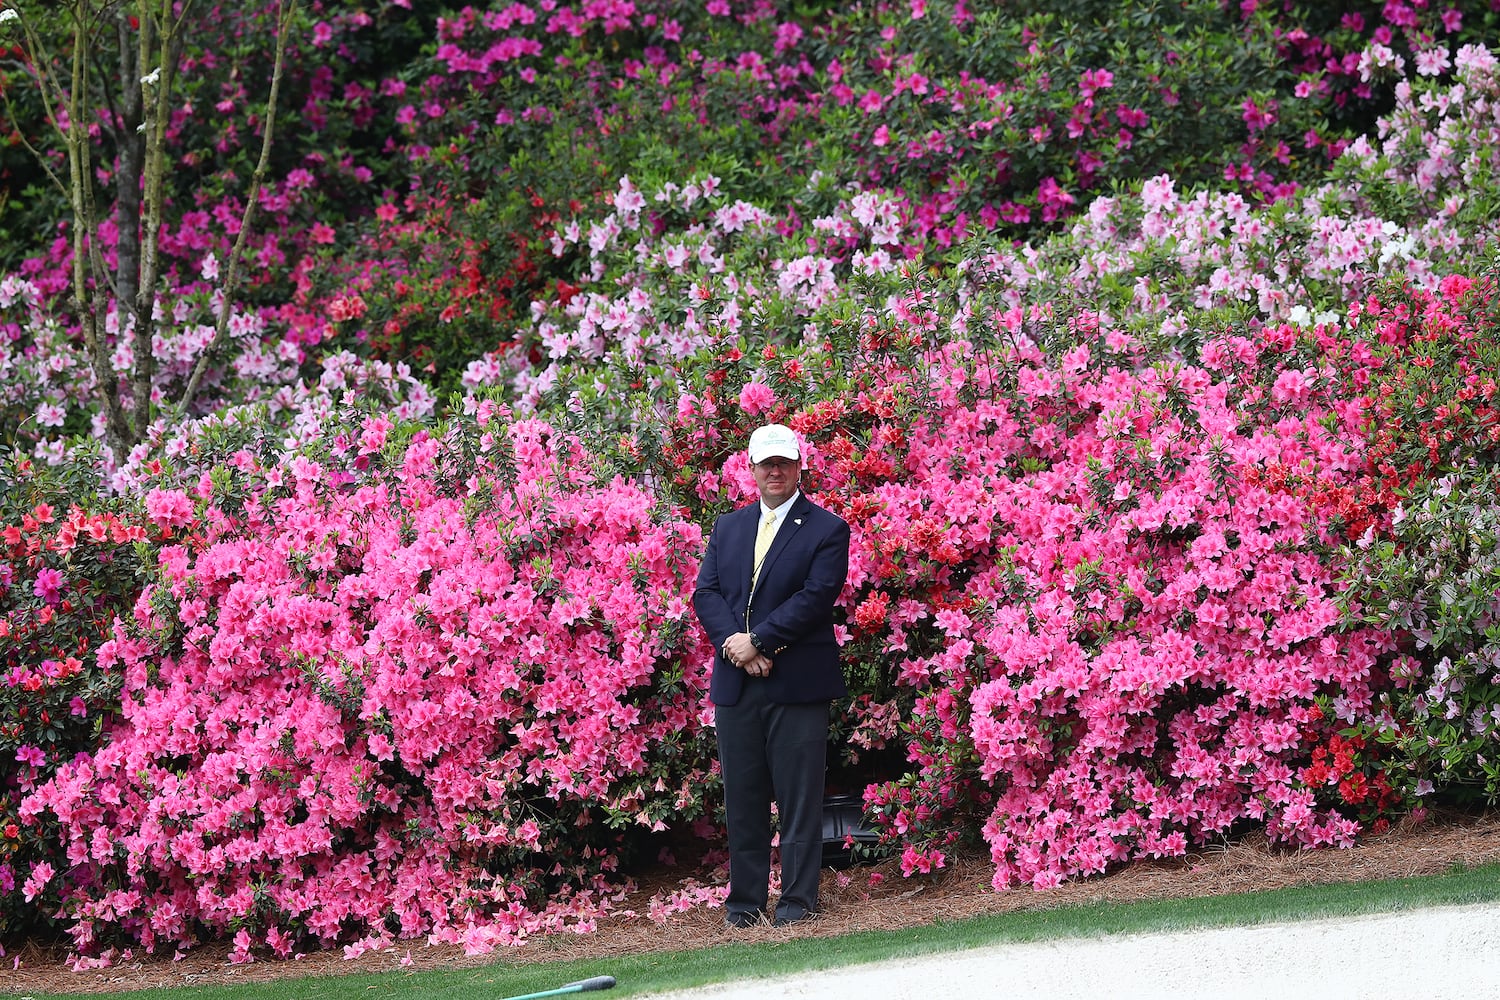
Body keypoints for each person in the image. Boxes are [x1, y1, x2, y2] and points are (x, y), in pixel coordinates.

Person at [693, 422, 851, 929]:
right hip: (738, 684)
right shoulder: (729, 528)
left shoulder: (827, 529)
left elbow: (815, 598)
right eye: (767, 463)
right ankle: (745, 903)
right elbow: (707, 595)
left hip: (797, 684)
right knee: (743, 797)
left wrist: (759, 641)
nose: (775, 471)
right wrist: (737, 649)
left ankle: (798, 902)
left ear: (799, 466)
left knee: (799, 798)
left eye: (784, 462)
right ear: (753, 469)